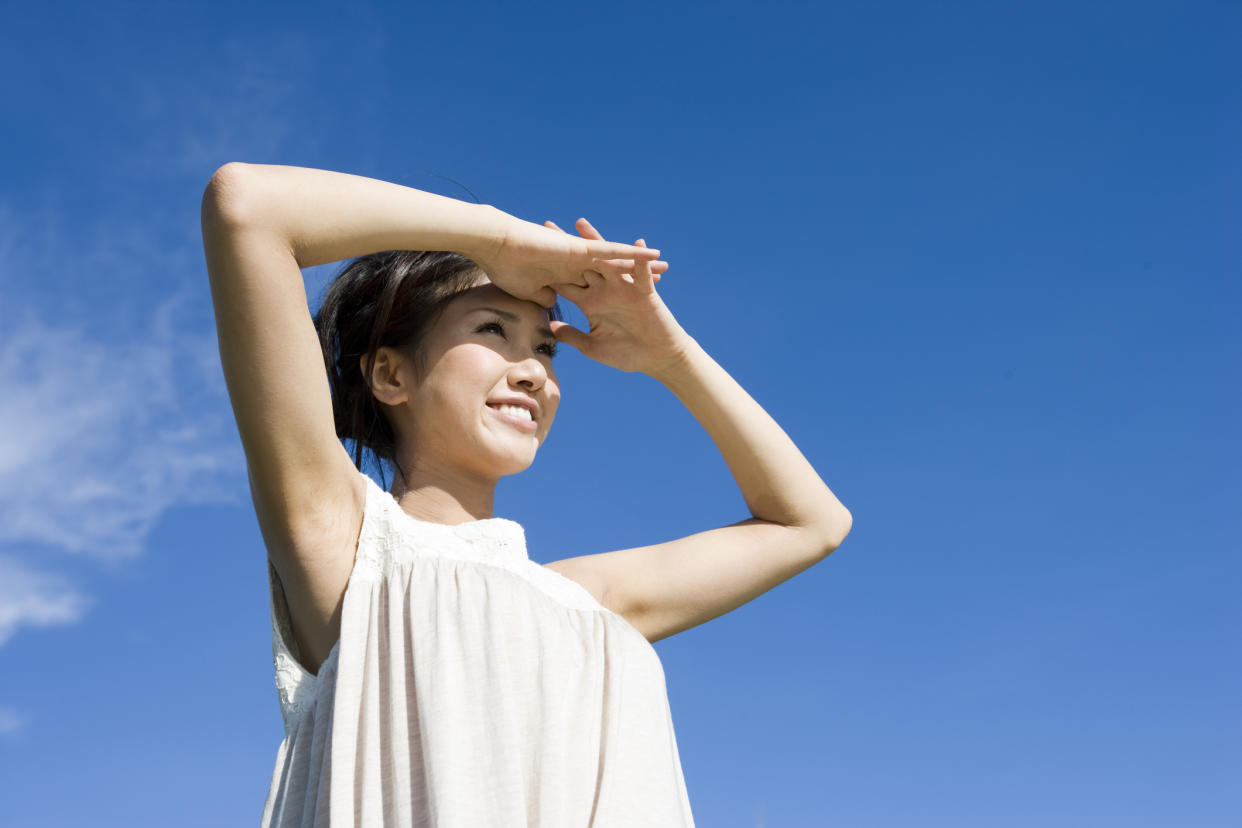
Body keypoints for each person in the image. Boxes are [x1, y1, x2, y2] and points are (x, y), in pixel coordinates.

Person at [200, 162, 853, 826]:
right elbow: (247, 206)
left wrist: (670, 356)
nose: (534, 372)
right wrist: (499, 242)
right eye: (493, 330)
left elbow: (812, 522)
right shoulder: (344, 538)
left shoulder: (584, 601)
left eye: (547, 348)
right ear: (390, 374)